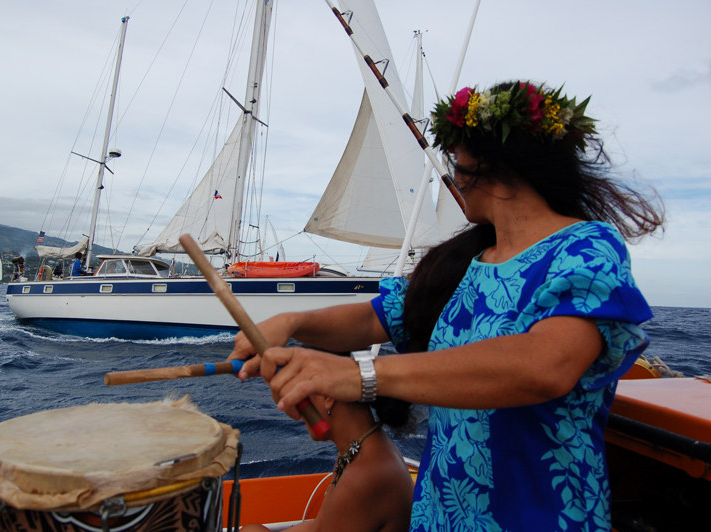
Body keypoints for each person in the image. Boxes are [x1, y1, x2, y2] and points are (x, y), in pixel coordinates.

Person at [229, 81, 664, 531]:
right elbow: (371, 318)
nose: (452, 178)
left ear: (494, 165)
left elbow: (545, 366)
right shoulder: (462, 263)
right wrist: (291, 321)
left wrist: (357, 376)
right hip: (440, 516)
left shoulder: (586, 248)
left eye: (456, 163)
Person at [242, 355, 414, 532]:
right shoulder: (356, 450)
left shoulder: (364, 476)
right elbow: (319, 526)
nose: (297, 410)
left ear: (327, 397)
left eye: (302, 395)